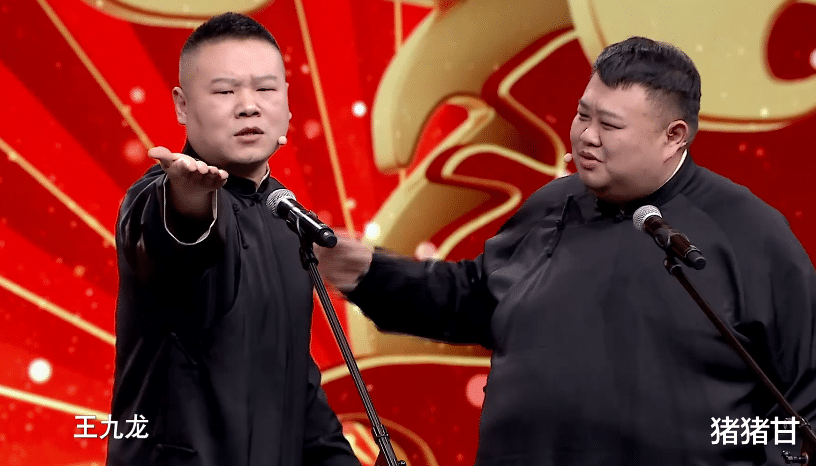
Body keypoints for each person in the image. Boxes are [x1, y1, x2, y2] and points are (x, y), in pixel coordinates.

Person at [315, 36, 816, 465]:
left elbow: (801, 413)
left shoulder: (751, 235)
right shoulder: (552, 205)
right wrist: (369, 273)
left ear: (674, 136)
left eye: (610, 125)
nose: (586, 137)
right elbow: (473, 301)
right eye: (582, 114)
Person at [108, 12, 360, 466]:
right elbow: (175, 243)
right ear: (182, 106)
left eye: (265, 89)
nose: (248, 106)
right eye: (225, 91)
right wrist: (189, 200)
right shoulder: (154, 198)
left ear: (287, 102)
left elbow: (296, 386)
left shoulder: (285, 216)